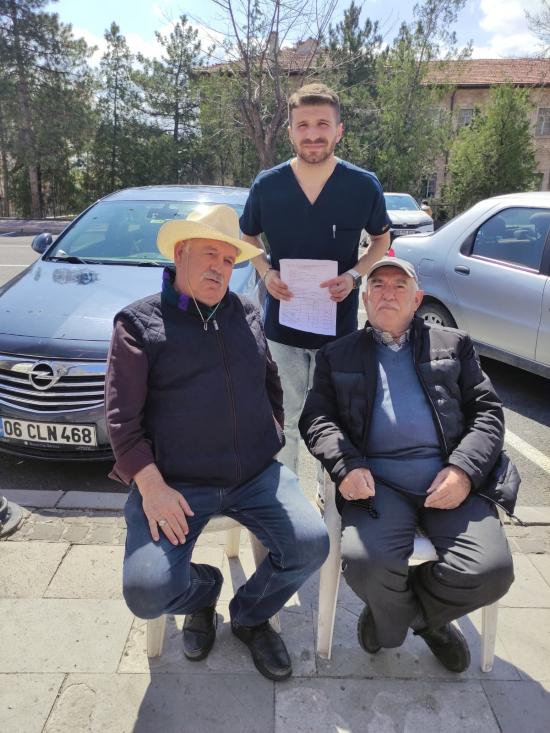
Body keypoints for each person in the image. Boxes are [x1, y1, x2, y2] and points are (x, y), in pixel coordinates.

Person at [105, 204, 329, 682]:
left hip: (254, 476)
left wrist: (268, 434)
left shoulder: (246, 312)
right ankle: (204, 591)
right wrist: (151, 486)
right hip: (176, 484)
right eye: (210, 254)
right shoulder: (138, 324)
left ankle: (249, 615)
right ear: (180, 253)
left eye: (229, 260)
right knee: (147, 592)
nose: (220, 268)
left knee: (312, 545)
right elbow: (121, 421)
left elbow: (270, 382)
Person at [299, 256, 515, 673]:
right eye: (378, 285)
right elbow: (317, 419)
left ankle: (395, 615)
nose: (388, 293)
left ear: (417, 300)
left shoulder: (454, 344)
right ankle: (423, 619)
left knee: (492, 571)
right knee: (366, 564)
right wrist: (346, 465)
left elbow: (488, 414)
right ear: (365, 298)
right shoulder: (337, 354)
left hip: (449, 478)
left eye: (400, 286)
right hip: (378, 486)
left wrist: (464, 470)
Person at [239, 82, 391, 477]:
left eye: (322, 124)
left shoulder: (362, 185)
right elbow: (247, 237)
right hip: (282, 329)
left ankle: (332, 500)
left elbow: (382, 240)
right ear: (290, 131)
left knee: (335, 424)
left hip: (338, 333)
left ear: (339, 130)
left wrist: (354, 275)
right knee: (284, 422)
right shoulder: (268, 185)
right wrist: (266, 272)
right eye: (302, 125)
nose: (312, 134)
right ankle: (287, 499)